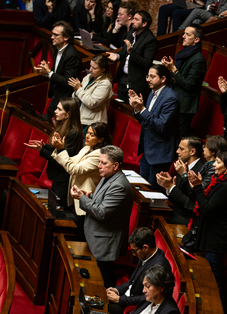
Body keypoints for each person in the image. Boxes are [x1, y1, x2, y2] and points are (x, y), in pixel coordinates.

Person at [71, 145, 133, 288]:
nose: (99, 166)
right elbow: (104, 201)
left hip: (105, 242)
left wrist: (82, 198)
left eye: (103, 163)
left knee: (104, 280)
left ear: (116, 165)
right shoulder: (109, 177)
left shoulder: (120, 185)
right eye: (99, 162)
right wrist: (89, 196)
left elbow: (102, 212)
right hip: (97, 236)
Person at [188, 148, 227, 307]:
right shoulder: (221, 181)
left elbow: (208, 209)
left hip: (216, 239)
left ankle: (217, 308)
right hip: (211, 235)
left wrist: (197, 187)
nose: (214, 165)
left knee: (214, 277)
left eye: (218, 162)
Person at [51, 122, 111, 241]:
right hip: (78, 197)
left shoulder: (99, 155)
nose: (87, 136)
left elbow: (74, 169)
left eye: (92, 135)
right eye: (87, 133)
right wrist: (58, 150)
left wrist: (61, 149)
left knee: (82, 235)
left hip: (88, 197)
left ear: (101, 139)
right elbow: (71, 161)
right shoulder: (87, 148)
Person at [25, 98, 83, 207]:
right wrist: (44, 146)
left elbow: (62, 159)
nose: (55, 111)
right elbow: (56, 151)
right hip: (57, 177)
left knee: (58, 209)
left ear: (68, 114)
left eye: (59, 109)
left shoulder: (73, 133)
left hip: (63, 179)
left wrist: (41, 150)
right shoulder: (62, 126)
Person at [130, 64, 179, 189]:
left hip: (159, 154)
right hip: (148, 150)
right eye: (148, 76)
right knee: (142, 188)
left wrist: (142, 109)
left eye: (152, 76)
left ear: (163, 79)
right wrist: (137, 109)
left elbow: (161, 126)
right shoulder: (153, 93)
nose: (148, 79)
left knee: (152, 192)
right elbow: (146, 121)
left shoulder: (171, 98)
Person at [106, 227, 170, 314]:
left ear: (145, 247)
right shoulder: (145, 255)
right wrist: (116, 290)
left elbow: (147, 298)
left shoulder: (159, 267)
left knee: (102, 308)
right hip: (127, 297)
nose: (133, 254)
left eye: (134, 251)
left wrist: (119, 299)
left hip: (136, 305)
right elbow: (131, 282)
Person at [161, 24, 206, 137]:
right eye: (184, 33)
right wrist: (169, 70)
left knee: (178, 139)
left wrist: (174, 70)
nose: (183, 36)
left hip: (184, 108)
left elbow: (189, 85)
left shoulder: (198, 60)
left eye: (187, 34)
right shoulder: (184, 53)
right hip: (174, 101)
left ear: (196, 40)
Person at [33, 21, 81, 122]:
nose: (52, 37)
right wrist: (45, 72)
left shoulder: (72, 55)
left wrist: (49, 73)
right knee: (47, 124)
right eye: (52, 34)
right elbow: (56, 74)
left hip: (65, 101)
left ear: (66, 38)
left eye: (56, 35)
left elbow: (68, 82)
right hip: (56, 96)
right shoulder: (57, 49)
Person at [108, 10, 158, 102]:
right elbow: (124, 50)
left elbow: (146, 63)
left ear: (144, 24)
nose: (132, 21)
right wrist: (117, 55)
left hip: (136, 83)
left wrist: (131, 52)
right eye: (133, 19)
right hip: (123, 78)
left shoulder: (150, 40)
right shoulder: (131, 33)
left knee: (130, 110)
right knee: (119, 105)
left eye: (136, 19)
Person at [156, 137, 206, 225]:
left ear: (192, 152)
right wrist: (169, 187)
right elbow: (178, 193)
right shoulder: (182, 165)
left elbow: (191, 203)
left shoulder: (201, 171)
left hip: (186, 219)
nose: (177, 151)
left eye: (181, 149)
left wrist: (171, 187)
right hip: (174, 212)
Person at [69, 54, 113, 134]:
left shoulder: (105, 84)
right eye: (90, 66)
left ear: (103, 69)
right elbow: (77, 98)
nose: (90, 70)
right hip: (80, 117)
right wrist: (76, 90)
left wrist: (78, 89)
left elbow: (92, 102)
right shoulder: (88, 77)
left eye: (94, 68)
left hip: (92, 123)